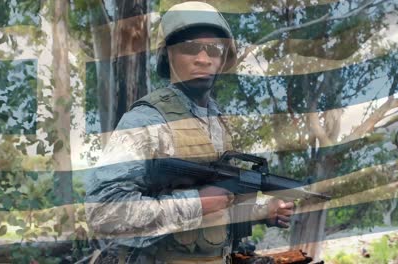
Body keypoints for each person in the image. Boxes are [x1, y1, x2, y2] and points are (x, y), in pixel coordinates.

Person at [85, 2, 294, 263]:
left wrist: (263, 211)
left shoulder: (217, 121)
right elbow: (104, 212)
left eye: (214, 49)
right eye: (191, 48)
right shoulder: (147, 120)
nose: (203, 58)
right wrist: (197, 203)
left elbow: (219, 204)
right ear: (168, 54)